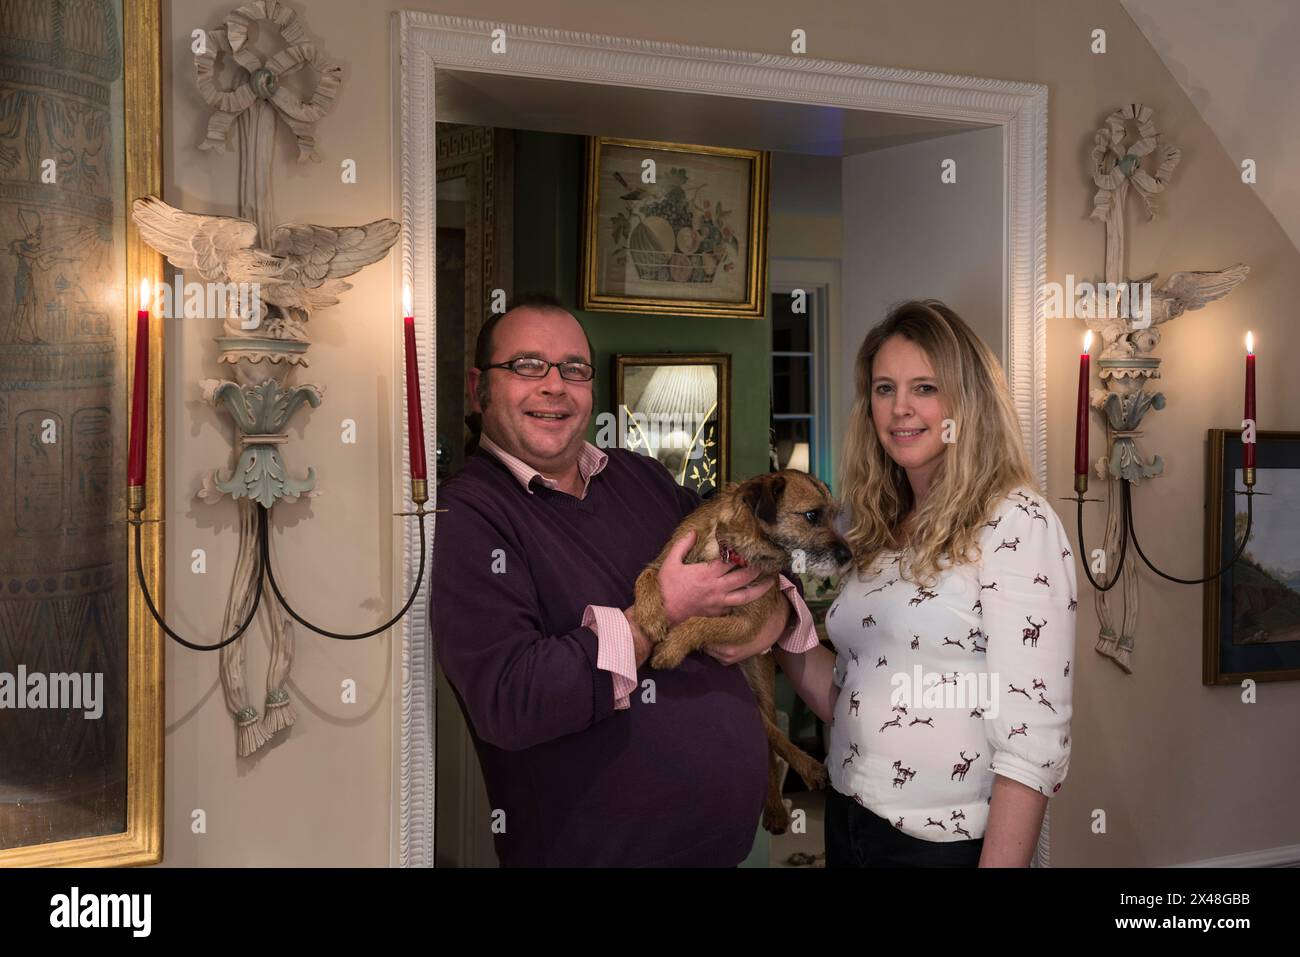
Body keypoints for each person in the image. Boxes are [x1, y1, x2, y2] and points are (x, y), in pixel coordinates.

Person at [430, 293, 819, 867]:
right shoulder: (465, 516)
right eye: (527, 365)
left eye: (574, 369)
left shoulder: (639, 477)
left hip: (720, 852)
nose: (554, 385)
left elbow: (756, 549)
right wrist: (660, 611)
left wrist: (775, 614)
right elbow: (510, 700)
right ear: (479, 387)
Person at [776, 300, 1077, 867]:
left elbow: (1032, 744)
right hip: (848, 822)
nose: (900, 409)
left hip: (942, 849)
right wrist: (778, 623)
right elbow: (847, 700)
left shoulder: (1017, 521)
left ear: (967, 402)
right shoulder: (873, 528)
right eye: (884, 389)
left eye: (925, 388)